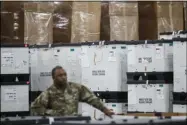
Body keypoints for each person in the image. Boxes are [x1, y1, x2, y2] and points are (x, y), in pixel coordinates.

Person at [31, 66, 115, 117]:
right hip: (57, 122)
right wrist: (53, 113)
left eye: (65, 74)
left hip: (73, 121)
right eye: (60, 75)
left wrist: (104, 109)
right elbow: (35, 108)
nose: (63, 77)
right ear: (53, 78)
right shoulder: (48, 93)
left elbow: (91, 98)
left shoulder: (76, 88)